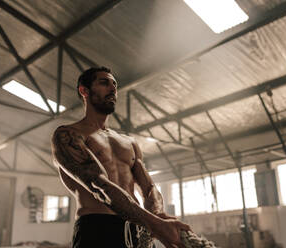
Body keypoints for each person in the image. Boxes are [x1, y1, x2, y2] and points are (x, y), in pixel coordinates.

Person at [51, 67, 190, 248]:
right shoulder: (68, 135)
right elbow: (99, 186)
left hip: (139, 228)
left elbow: (149, 188)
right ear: (84, 91)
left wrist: (158, 215)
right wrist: (155, 224)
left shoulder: (129, 142)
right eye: (104, 83)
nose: (113, 88)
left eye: (114, 84)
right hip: (98, 229)